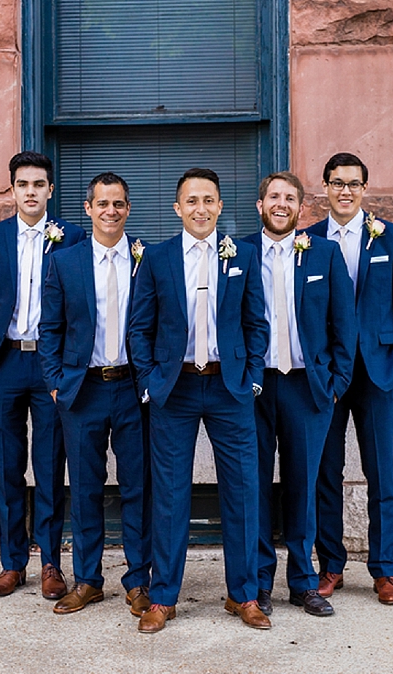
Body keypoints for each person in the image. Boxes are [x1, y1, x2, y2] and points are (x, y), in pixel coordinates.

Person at [129, 168, 270, 633]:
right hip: (177, 388)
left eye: (209, 199)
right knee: (170, 494)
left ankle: (244, 594)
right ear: (177, 208)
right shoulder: (157, 257)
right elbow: (140, 327)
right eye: (192, 200)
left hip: (231, 389)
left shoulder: (242, 255)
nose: (201, 208)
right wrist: (151, 382)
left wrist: (250, 380)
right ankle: (164, 597)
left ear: (220, 206)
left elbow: (256, 324)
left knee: (244, 491)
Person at [307, 152, 393, 605]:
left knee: (381, 472)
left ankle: (384, 570)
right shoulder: (309, 239)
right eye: (337, 183)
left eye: (353, 184)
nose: (345, 191)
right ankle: (331, 565)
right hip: (329, 376)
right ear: (325, 188)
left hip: (378, 373)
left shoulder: (392, 237)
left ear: (364, 189)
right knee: (325, 474)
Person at [0, 151, 86, 599]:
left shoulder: (72, 238)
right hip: (4, 363)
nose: (31, 192)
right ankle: (13, 563)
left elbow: (81, 306)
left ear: (51, 190)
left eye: (39, 184)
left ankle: (52, 563)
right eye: (23, 184)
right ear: (13, 189)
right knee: (9, 467)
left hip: (50, 365)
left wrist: (67, 365)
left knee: (52, 465)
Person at [38, 172, 151, 618]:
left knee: (138, 488)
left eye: (119, 204)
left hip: (132, 388)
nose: (111, 211)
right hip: (81, 389)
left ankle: (138, 580)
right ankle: (87, 580)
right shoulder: (65, 262)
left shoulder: (147, 258)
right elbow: (51, 329)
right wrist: (55, 381)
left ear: (128, 208)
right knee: (84, 488)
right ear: (88, 209)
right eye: (103, 204)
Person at [244, 171, 356, 618]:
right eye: (273, 196)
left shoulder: (324, 254)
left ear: (300, 207)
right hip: (253, 388)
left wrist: (335, 384)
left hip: (308, 388)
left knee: (303, 486)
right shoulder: (239, 251)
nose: (281, 204)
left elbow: (343, 325)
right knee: (253, 485)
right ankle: (259, 581)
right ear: (260, 204)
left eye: (290, 198)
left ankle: (303, 582)